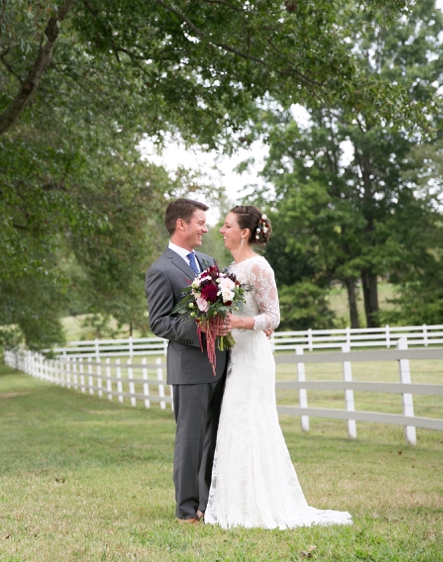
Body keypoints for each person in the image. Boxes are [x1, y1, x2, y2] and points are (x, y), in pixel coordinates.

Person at [204, 205, 352, 529]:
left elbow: (274, 316)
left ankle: (259, 506)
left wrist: (239, 322)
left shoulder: (259, 267)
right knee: (234, 424)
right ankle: (235, 502)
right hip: (235, 358)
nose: (221, 230)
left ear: (244, 232)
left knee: (252, 423)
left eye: (227, 225)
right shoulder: (229, 270)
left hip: (254, 360)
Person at [145, 198, 230, 524]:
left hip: (220, 363)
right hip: (190, 367)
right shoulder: (161, 270)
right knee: (190, 440)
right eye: (200, 222)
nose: (205, 228)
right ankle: (185, 510)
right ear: (181, 224)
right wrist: (201, 330)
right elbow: (159, 322)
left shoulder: (209, 261)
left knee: (215, 438)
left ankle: (207, 505)